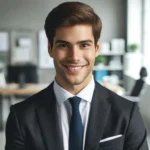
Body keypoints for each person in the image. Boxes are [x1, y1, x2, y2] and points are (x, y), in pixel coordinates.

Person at [5, 2, 148, 150]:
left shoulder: (127, 113)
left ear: (96, 48)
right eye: (64, 45)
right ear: (50, 48)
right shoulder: (21, 117)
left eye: (84, 45)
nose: (74, 57)